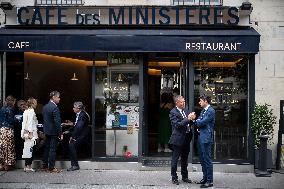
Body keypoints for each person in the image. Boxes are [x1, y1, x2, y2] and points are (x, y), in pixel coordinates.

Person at [189, 95, 215, 188]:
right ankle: (205, 178)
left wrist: (193, 119)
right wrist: (197, 120)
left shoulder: (211, 111)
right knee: (202, 159)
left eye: (200, 101)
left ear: (205, 101)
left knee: (207, 159)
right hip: (201, 137)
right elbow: (200, 120)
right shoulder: (204, 110)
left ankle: (209, 181)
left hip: (206, 137)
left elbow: (201, 122)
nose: (199, 103)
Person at [168, 95, 193, 185]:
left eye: (184, 101)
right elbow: (177, 125)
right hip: (178, 139)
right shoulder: (173, 112)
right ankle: (174, 177)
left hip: (186, 138)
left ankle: (185, 177)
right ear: (177, 103)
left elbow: (189, 122)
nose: (183, 103)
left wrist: (192, 119)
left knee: (185, 159)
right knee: (175, 159)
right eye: (181, 102)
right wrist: (188, 119)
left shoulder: (186, 110)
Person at [62, 101, 90, 171]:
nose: (73, 109)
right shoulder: (79, 114)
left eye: (74, 107)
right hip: (80, 134)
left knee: (71, 145)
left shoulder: (83, 115)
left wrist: (73, 137)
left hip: (82, 135)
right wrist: (69, 130)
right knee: (68, 142)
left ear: (79, 108)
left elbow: (79, 127)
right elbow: (76, 125)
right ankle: (66, 156)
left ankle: (75, 165)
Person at [42, 91, 62, 173]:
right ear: (53, 97)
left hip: (46, 131)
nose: (59, 99)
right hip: (53, 132)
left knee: (47, 148)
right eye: (58, 97)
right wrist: (60, 133)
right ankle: (51, 167)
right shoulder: (55, 107)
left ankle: (44, 165)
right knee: (52, 149)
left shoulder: (45, 107)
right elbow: (57, 122)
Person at [21, 97, 38, 172]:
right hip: (31, 133)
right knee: (31, 150)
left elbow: (24, 123)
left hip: (25, 133)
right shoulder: (31, 111)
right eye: (35, 103)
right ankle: (29, 166)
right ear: (32, 103)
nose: (36, 104)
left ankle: (26, 166)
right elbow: (30, 123)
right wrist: (31, 133)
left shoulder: (26, 111)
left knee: (27, 150)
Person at [0, 95, 17, 171]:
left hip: (2, 130)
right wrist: (16, 120)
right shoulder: (10, 109)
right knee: (9, 147)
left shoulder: (2, 109)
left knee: (2, 147)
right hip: (8, 130)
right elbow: (11, 121)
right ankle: (7, 165)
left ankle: (1, 164)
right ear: (12, 101)